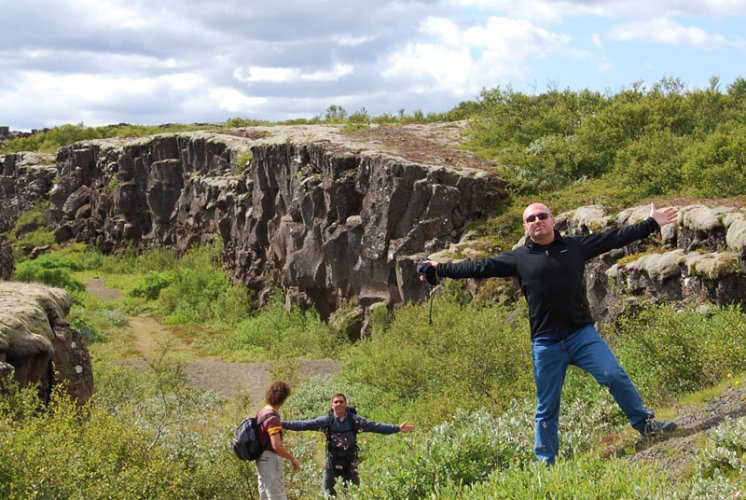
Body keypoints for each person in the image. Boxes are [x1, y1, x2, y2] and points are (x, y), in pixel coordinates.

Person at [418, 202, 678, 465]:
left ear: (553, 221)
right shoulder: (518, 258)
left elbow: (614, 238)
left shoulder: (575, 247)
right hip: (546, 343)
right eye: (531, 219)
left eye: (542, 216)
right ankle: (546, 463)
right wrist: (440, 268)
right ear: (525, 226)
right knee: (547, 407)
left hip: (581, 335)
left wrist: (651, 223)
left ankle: (645, 426)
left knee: (614, 376)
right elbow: (479, 267)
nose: (537, 221)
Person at [282, 393, 415, 496]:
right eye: (336, 402)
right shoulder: (326, 421)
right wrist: (281, 424)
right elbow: (303, 424)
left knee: (354, 494)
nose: (338, 404)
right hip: (332, 462)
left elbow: (376, 427)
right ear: (331, 405)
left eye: (341, 402)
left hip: (351, 462)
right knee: (327, 494)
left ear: (346, 404)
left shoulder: (355, 421)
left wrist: (397, 428)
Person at [255, 380, 300, 500]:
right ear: (283, 398)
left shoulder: (262, 413)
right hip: (270, 459)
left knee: (264, 494)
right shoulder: (273, 418)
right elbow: (276, 446)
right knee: (277, 496)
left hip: (260, 458)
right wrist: (292, 458)